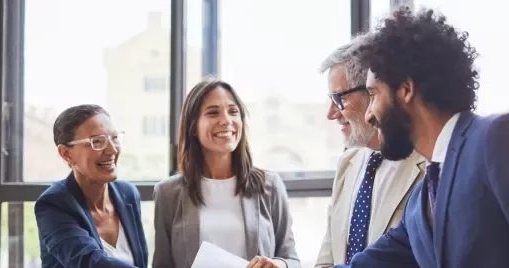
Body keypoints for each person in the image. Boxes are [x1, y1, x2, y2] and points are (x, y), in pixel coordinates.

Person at [335, 7, 509, 268]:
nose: (370, 115)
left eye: (373, 95)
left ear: (406, 89)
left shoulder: (503, 140)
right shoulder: (421, 203)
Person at [152, 79, 301, 268]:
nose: (226, 120)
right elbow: (162, 264)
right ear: (193, 127)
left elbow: (292, 259)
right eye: (213, 113)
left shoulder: (269, 185)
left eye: (233, 112)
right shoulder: (168, 193)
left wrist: (279, 265)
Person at [315, 33, 426, 268]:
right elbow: (327, 259)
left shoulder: (428, 165)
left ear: (372, 90)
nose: (331, 113)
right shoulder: (348, 162)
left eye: (339, 99)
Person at [35, 104, 148, 268]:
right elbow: (90, 262)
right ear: (66, 153)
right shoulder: (53, 204)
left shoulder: (128, 194)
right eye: (97, 141)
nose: (112, 150)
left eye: (114, 138)